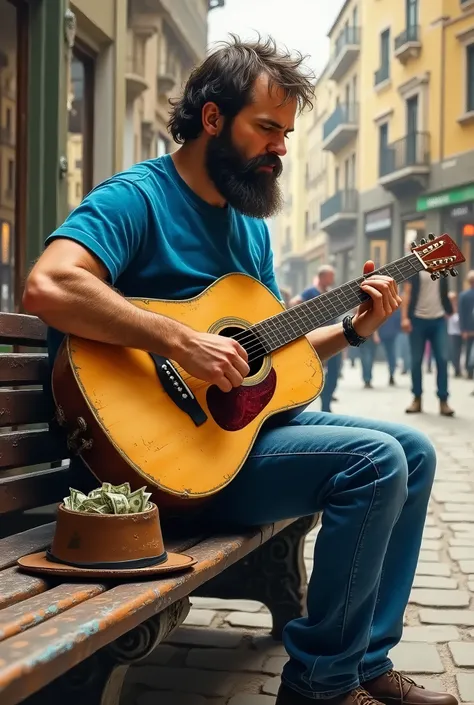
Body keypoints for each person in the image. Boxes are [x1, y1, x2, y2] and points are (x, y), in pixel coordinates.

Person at [22, 37, 454, 705]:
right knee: (373, 460)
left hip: (227, 444)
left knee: (416, 451)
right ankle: (319, 685)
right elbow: (48, 287)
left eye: (286, 133)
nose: (280, 148)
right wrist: (177, 340)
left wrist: (350, 329)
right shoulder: (137, 197)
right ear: (214, 118)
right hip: (151, 464)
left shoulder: (250, 226)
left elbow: (271, 359)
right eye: (267, 128)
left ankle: (365, 661)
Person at [401, 269, 454, 416]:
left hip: (439, 320)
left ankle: (443, 400)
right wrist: (404, 318)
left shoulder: (442, 269)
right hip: (417, 320)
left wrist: (450, 310)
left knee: (443, 360)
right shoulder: (414, 270)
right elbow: (407, 293)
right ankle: (416, 398)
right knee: (416, 361)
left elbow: (445, 292)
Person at [290, 265, 341, 413]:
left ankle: (326, 400)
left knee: (334, 371)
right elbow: (294, 303)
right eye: (331, 276)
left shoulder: (328, 292)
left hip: (332, 335)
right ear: (323, 276)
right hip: (315, 337)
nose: (333, 279)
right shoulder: (310, 291)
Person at [378, 307, 402, 385]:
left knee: (390, 354)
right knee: (391, 354)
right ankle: (391, 374)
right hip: (391, 333)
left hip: (381, 332)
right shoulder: (394, 305)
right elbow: (398, 320)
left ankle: (368, 379)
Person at [459, 270, 474, 379]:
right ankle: (469, 369)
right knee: (468, 349)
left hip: (468, 329)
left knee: (468, 349)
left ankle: (469, 370)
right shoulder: (464, 296)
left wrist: (463, 329)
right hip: (469, 329)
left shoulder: (463, 295)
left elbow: (461, 314)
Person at [447, 291, 462, 378]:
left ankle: (458, 368)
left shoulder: (459, 307)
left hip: (459, 332)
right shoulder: (447, 308)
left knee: (458, 352)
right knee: (453, 352)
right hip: (451, 332)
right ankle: (456, 368)